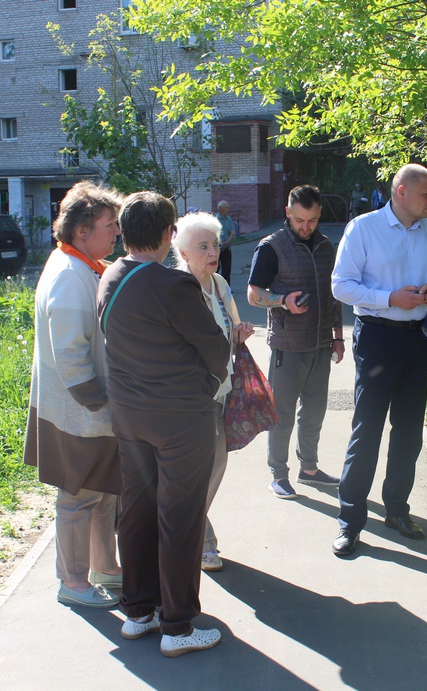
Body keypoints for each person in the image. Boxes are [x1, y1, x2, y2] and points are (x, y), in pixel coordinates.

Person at [97, 192, 231, 657]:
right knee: (180, 518)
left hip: (129, 416)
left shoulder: (111, 275)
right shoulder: (173, 285)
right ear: (168, 234)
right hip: (179, 420)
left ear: (125, 232)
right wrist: (206, 384)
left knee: (136, 511)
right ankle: (178, 626)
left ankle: (139, 613)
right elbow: (215, 346)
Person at [330, 164, 427, 557]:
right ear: (401, 192)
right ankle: (350, 521)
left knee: (408, 430)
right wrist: (389, 298)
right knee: (366, 428)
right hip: (378, 338)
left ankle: (397, 511)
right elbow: (340, 285)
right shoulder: (363, 228)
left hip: (418, 340)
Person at [24, 180, 123, 608]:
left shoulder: (82, 265)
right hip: (78, 410)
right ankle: (73, 582)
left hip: (89, 408)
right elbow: (70, 353)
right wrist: (99, 401)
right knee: (79, 495)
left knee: (103, 491)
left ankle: (105, 568)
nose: (116, 232)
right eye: (109, 225)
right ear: (82, 230)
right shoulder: (68, 274)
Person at [248, 185, 345, 499]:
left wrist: (338, 337)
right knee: (282, 414)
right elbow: (253, 295)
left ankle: (310, 469)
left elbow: (334, 296)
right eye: (300, 219)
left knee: (314, 412)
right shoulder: (271, 247)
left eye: (312, 220)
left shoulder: (326, 246)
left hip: (319, 344)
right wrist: (281, 300)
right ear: (288, 213)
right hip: (287, 347)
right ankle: (278, 473)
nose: (306, 226)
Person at [173, 212, 255, 571]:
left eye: (215, 244)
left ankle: (186, 531)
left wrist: (239, 334)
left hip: (220, 390)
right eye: (202, 246)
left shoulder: (219, 283)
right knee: (196, 471)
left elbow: (231, 325)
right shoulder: (175, 286)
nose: (212, 251)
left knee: (215, 466)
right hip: (188, 397)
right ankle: (198, 540)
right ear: (183, 251)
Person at [214, 201, 237, 287]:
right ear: (220, 209)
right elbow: (213, 233)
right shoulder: (215, 219)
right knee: (216, 270)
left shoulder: (228, 219)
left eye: (228, 207)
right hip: (217, 248)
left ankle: (227, 289)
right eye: (226, 207)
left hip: (227, 248)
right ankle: (215, 288)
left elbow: (232, 232)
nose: (228, 209)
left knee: (227, 270)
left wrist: (227, 241)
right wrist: (220, 242)